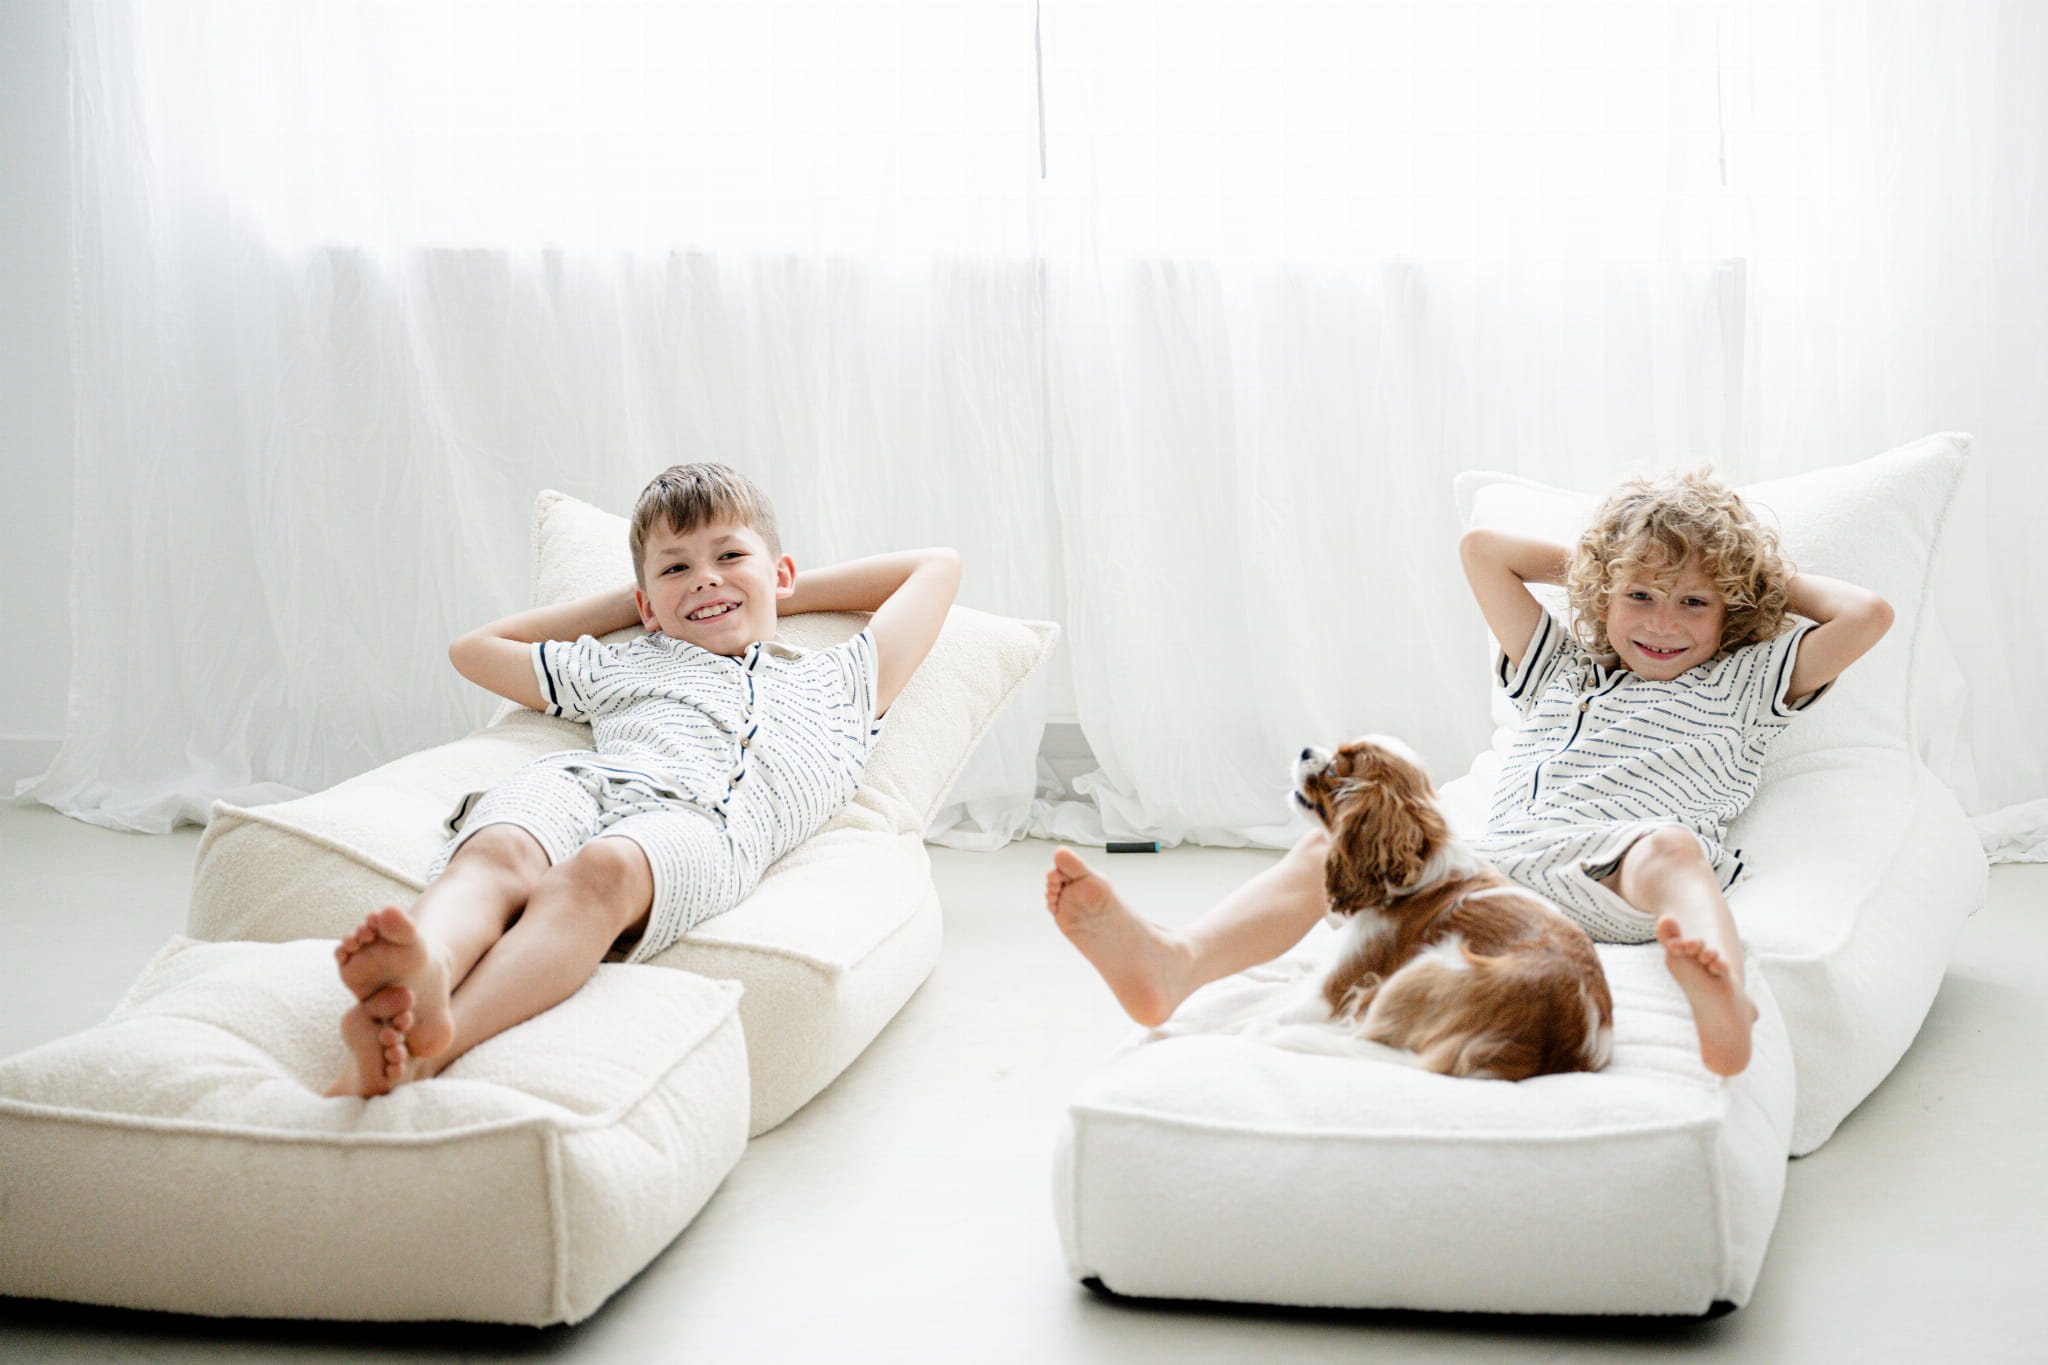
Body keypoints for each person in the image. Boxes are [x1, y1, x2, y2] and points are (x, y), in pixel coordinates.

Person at [1047, 470, 1892, 1077]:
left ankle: (1722, 993)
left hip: (1611, 871)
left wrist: (1745, 578)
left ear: (1731, 610)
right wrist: (1614, 563)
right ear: (1602, 596)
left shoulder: (1745, 680)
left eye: (1693, 602)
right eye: (1640, 596)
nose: (1663, 622)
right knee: (1334, 843)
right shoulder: (1560, 666)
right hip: (1491, 872)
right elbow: (1483, 551)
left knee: (1673, 849)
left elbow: (1868, 613)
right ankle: (1176, 963)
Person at [327, 463, 960, 1097]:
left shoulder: (840, 684)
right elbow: (473, 649)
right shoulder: (618, 664)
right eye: (676, 567)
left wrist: (763, 587)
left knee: (604, 870)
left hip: (705, 824)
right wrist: (647, 606)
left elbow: (936, 567)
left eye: (729, 555)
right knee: (501, 847)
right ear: (645, 604)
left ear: (781, 573)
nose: (705, 577)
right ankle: (430, 963)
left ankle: (431, 1045)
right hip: (582, 782)